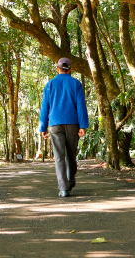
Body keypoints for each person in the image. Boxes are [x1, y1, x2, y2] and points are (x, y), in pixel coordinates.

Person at [39, 57, 88, 197]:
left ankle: (63, 188)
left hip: (55, 125)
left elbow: (45, 107)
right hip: (73, 124)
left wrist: (43, 127)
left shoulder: (50, 84)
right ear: (70, 69)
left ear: (57, 68)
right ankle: (70, 180)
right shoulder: (76, 83)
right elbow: (81, 105)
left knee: (59, 157)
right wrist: (83, 125)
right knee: (71, 155)